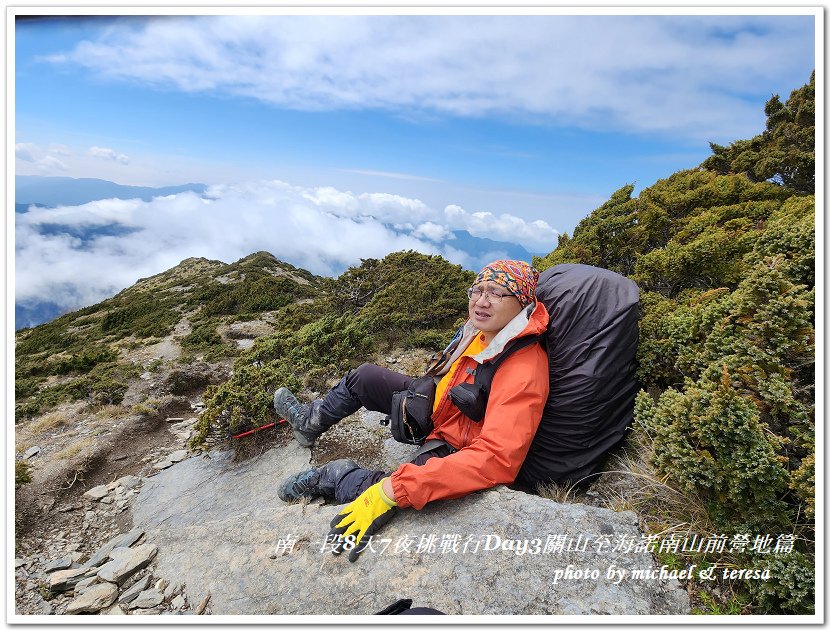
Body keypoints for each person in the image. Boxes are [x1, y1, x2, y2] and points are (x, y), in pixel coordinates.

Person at [274, 259, 550, 561]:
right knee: (364, 377)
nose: (481, 301)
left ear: (522, 301)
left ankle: (336, 477)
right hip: (439, 410)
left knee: (400, 486)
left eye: (496, 293)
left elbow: (496, 459)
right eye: (477, 290)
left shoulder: (523, 369)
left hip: (456, 444)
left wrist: (390, 492)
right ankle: (308, 423)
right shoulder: (481, 329)